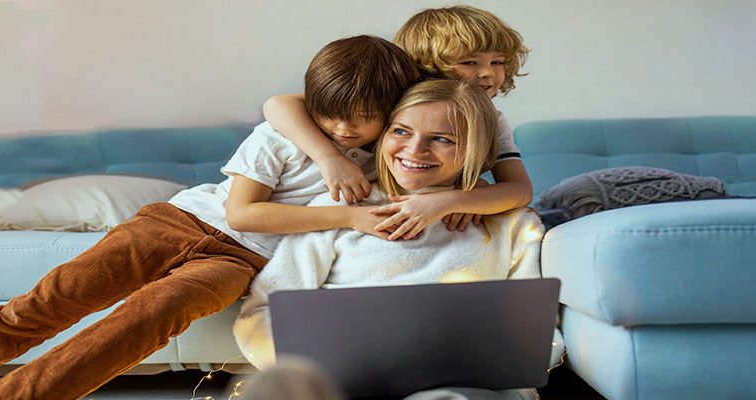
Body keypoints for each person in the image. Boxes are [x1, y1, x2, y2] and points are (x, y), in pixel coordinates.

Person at [0, 35, 424, 400]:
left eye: (364, 117)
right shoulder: (284, 133)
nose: (344, 128)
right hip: (177, 223)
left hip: (239, 260)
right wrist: (341, 201)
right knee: (32, 313)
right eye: (332, 115)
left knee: (140, 321)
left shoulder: (394, 155)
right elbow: (245, 209)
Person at [233, 79, 564, 400]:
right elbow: (261, 313)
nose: (414, 150)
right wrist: (312, 373)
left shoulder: (514, 225)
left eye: (442, 139)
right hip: (344, 386)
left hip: (468, 387)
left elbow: (540, 333)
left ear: (475, 150)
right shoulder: (338, 208)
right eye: (401, 131)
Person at [262, 5, 533, 241]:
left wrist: (453, 199)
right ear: (427, 64)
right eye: (469, 62)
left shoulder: (492, 119)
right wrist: (329, 158)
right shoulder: (389, 98)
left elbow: (519, 189)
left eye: (497, 61)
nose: (488, 72)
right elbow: (278, 104)